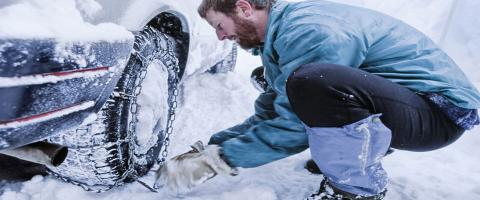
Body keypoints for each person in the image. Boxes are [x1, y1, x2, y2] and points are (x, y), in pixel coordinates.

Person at [154, 0, 480, 199]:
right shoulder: (282, 37)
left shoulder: (308, 30)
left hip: (438, 113)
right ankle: (343, 157)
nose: (221, 36)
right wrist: (213, 147)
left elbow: (293, 123)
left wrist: (220, 161)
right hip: (410, 105)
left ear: (243, 8)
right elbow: (272, 113)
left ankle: (357, 189)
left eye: (219, 25)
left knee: (312, 85)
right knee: (302, 85)